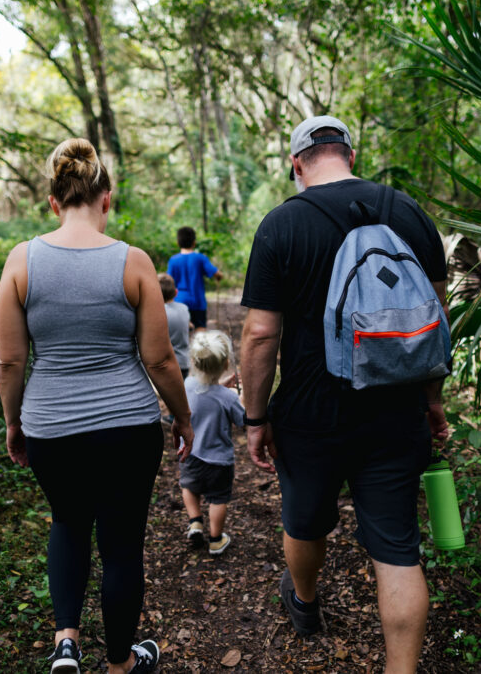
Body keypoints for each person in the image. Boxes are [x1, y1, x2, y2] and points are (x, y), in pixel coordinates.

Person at [239, 116, 450, 674]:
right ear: (351, 155)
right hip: (396, 409)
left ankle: (305, 603)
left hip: (311, 414)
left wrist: (255, 417)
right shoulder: (408, 214)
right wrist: (432, 400)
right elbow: (434, 319)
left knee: (304, 519)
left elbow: (261, 334)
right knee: (396, 549)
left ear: (296, 164)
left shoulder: (281, 225)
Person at [0, 138, 194, 674]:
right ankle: (121, 663)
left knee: (67, 521)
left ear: (53, 202)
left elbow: (10, 363)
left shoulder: (22, 261)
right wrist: (183, 416)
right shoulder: (133, 263)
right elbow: (160, 360)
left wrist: (15, 424)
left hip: (49, 427)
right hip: (126, 426)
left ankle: (66, 644)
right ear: (107, 198)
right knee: (122, 542)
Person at [178, 330, 246, 556]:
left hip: (191, 454)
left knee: (189, 486)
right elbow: (242, 420)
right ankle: (216, 539)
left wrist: (222, 387)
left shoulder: (186, 385)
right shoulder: (229, 397)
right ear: (226, 363)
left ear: (194, 361)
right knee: (218, 498)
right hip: (219, 461)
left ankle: (195, 521)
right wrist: (241, 398)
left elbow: (204, 394)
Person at [166, 226, 222, 332]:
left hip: (179, 302)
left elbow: (169, 281)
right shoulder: (200, 258)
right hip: (198, 301)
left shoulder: (173, 260)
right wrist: (219, 276)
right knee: (200, 330)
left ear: (178, 243)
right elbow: (216, 273)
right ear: (194, 243)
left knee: (182, 330)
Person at [158, 273, 191, 379]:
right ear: (176, 292)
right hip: (183, 362)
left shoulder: (157, 313)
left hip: (165, 364)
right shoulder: (184, 308)